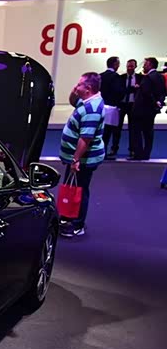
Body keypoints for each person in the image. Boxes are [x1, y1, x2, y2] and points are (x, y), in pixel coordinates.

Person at [59, 72, 105, 238]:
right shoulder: (86, 102)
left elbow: (85, 138)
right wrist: (74, 92)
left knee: (80, 190)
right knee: (72, 188)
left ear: (88, 88)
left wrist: (76, 159)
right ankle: (67, 217)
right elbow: (73, 101)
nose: (76, 86)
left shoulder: (92, 109)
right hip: (77, 158)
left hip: (84, 159)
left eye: (79, 85)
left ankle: (77, 225)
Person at [130, 57, 166, 161]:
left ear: (150, 65)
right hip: (151, 110)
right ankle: (146, 154)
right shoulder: (160, 77)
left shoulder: (148, 77)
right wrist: (158, 102)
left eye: (145, 64)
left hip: (141, 109)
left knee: (136, 131)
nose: (143, 66)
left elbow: (146, 93)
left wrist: (154, 101)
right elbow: (163, 92)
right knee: (148, 133)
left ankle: (138, 154)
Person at [100, 56, 125, 159]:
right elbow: (118, 92)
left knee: (100, 131)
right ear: (115, 64)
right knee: (108, 132)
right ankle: (104, 152)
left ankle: (99, 152)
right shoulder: (116, 77)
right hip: (112, 107)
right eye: (118, 63)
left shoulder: (100, 76)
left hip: (101, 106)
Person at [119, 59, 140, 159]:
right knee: (117, 128)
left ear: (135, 67)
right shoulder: (121, 78)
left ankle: (132, 149)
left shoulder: (140, 78)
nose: (129, 68)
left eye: (132, 66)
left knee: (133, 129)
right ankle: (114, 148)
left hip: (133, 105)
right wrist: (132, 89)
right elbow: (120, 90)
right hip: (122, 105)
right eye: (128, 66)